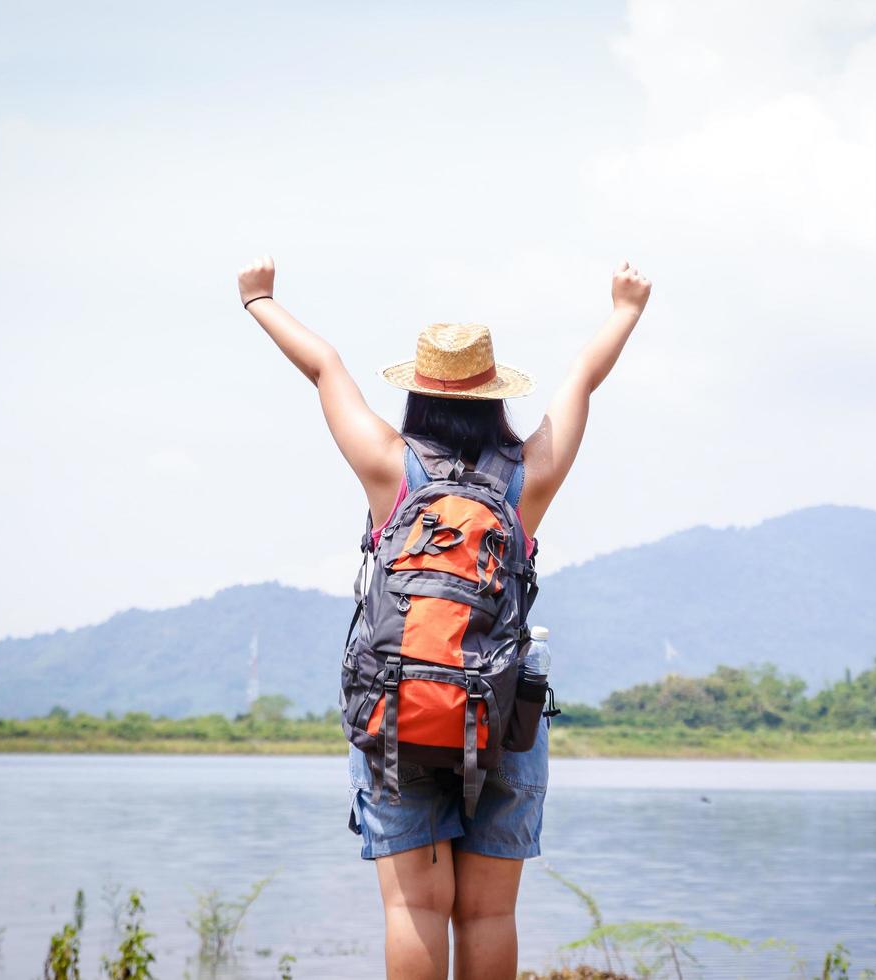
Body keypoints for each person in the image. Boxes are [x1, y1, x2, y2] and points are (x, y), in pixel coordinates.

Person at [235, 254, 652, 980]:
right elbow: (582, 377)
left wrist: (259, 300)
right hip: (501, 714)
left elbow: (326, 368)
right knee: (489, 914)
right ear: (493, 395)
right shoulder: (528, 475)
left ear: (418, 394)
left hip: (399, 711)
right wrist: (625, 309)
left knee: (413, 911)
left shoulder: (388, 467)